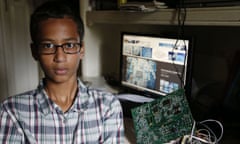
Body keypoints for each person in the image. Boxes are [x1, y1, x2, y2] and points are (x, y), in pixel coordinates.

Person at [0, 0, 124, 143]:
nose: (59, 57)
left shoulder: (107, 106)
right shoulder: (12, 111)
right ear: (35, 51)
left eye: (70, 45)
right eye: (48, 46)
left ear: (81, 49)